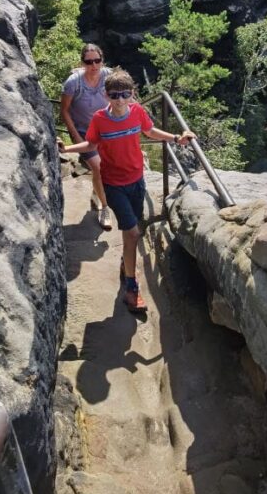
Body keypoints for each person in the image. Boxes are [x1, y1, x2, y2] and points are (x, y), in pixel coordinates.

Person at [58, 68, 196, 314]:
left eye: (125, 94)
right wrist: (67, 149)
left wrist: (176, 138)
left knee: (135, 229)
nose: (120, 100)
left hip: (137, 181)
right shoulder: (100, 119)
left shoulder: (138, 112)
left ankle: (127, 265)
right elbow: (91, 143)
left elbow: (150, 131)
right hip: (113, 184)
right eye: (114, 95)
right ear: (106, 95)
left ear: (133, 94)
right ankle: (131, 288)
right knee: (132, 233)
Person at [60, 43, 113, 230]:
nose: (94, 65)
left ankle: (96, 193)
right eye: (89, 61)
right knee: (99, 167)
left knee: (105, 168)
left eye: (97, 60)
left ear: (102, 60)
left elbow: (122, 96)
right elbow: (64, 111)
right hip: (84, 132)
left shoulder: (108, 76)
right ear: (82, 63)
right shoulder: (73, 83)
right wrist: (76, 137)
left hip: (106, 130)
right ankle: (104, 209)